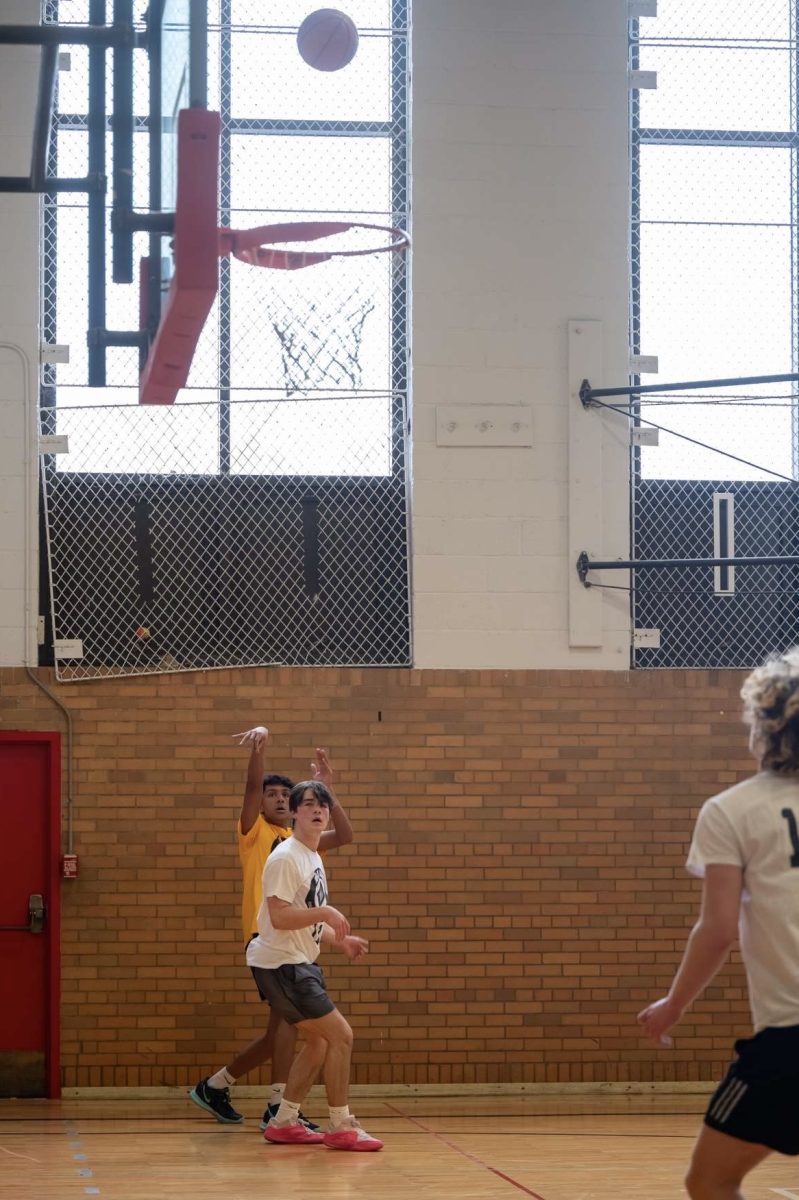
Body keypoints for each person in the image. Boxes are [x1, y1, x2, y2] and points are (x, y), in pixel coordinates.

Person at [638, 648, 799, 1199]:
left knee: (711, 1182)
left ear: (764, 724)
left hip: (790, 1041)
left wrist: (673, 1006)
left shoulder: (734, 810)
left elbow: (719, 929)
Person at [190, 727, 353, 1129]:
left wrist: (326, 790)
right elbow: (249, 789)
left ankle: (218, 1086)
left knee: (282, 1032)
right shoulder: (256, 833)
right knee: (302, 1031)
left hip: (293, 942)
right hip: (267, 936)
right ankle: (280, 1108)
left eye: (286, 795)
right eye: (272, 795)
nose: (280, 800)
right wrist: (259, 750)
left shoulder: (302, 840)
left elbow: (346, 835)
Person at [249, 779, 382, 1152]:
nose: (318, 810)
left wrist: (340, 941)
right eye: (308, 804)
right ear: (294, 812)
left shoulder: (312, 856)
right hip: (282, 965)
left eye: (323, 804)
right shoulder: (286, 856)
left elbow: (304, 921)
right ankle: (341, 1124)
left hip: (294, 962)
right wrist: (325, 911)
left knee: (320, 1041)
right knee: (341, 1035)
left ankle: (285, 1120)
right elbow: (279, 917)